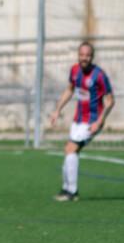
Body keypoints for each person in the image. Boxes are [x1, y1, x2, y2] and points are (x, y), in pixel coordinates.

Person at [48, 41, 114, 202]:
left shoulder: (99, 75)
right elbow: (70, 89)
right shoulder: (74, 70)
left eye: (88, 55)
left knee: (70, 148)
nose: (84, 58)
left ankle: (72, 192)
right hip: (78, 119)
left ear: (92, 57)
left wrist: (100, 121)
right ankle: (66, 189)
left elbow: (110, 101)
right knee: (70, 150)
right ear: (78, 55)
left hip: (92, 121)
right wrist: (57, 110)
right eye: (82, 55)